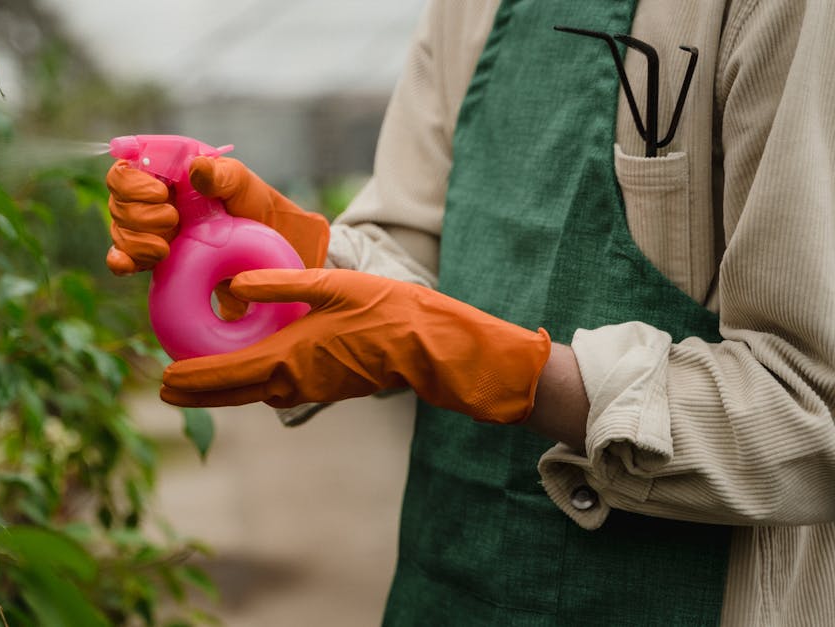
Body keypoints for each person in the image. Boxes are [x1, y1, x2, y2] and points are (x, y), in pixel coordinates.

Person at [105, 0, 835, 624]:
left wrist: (508, 370)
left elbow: (810, 404)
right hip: (450, 572)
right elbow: (412, 237)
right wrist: (299, 254)